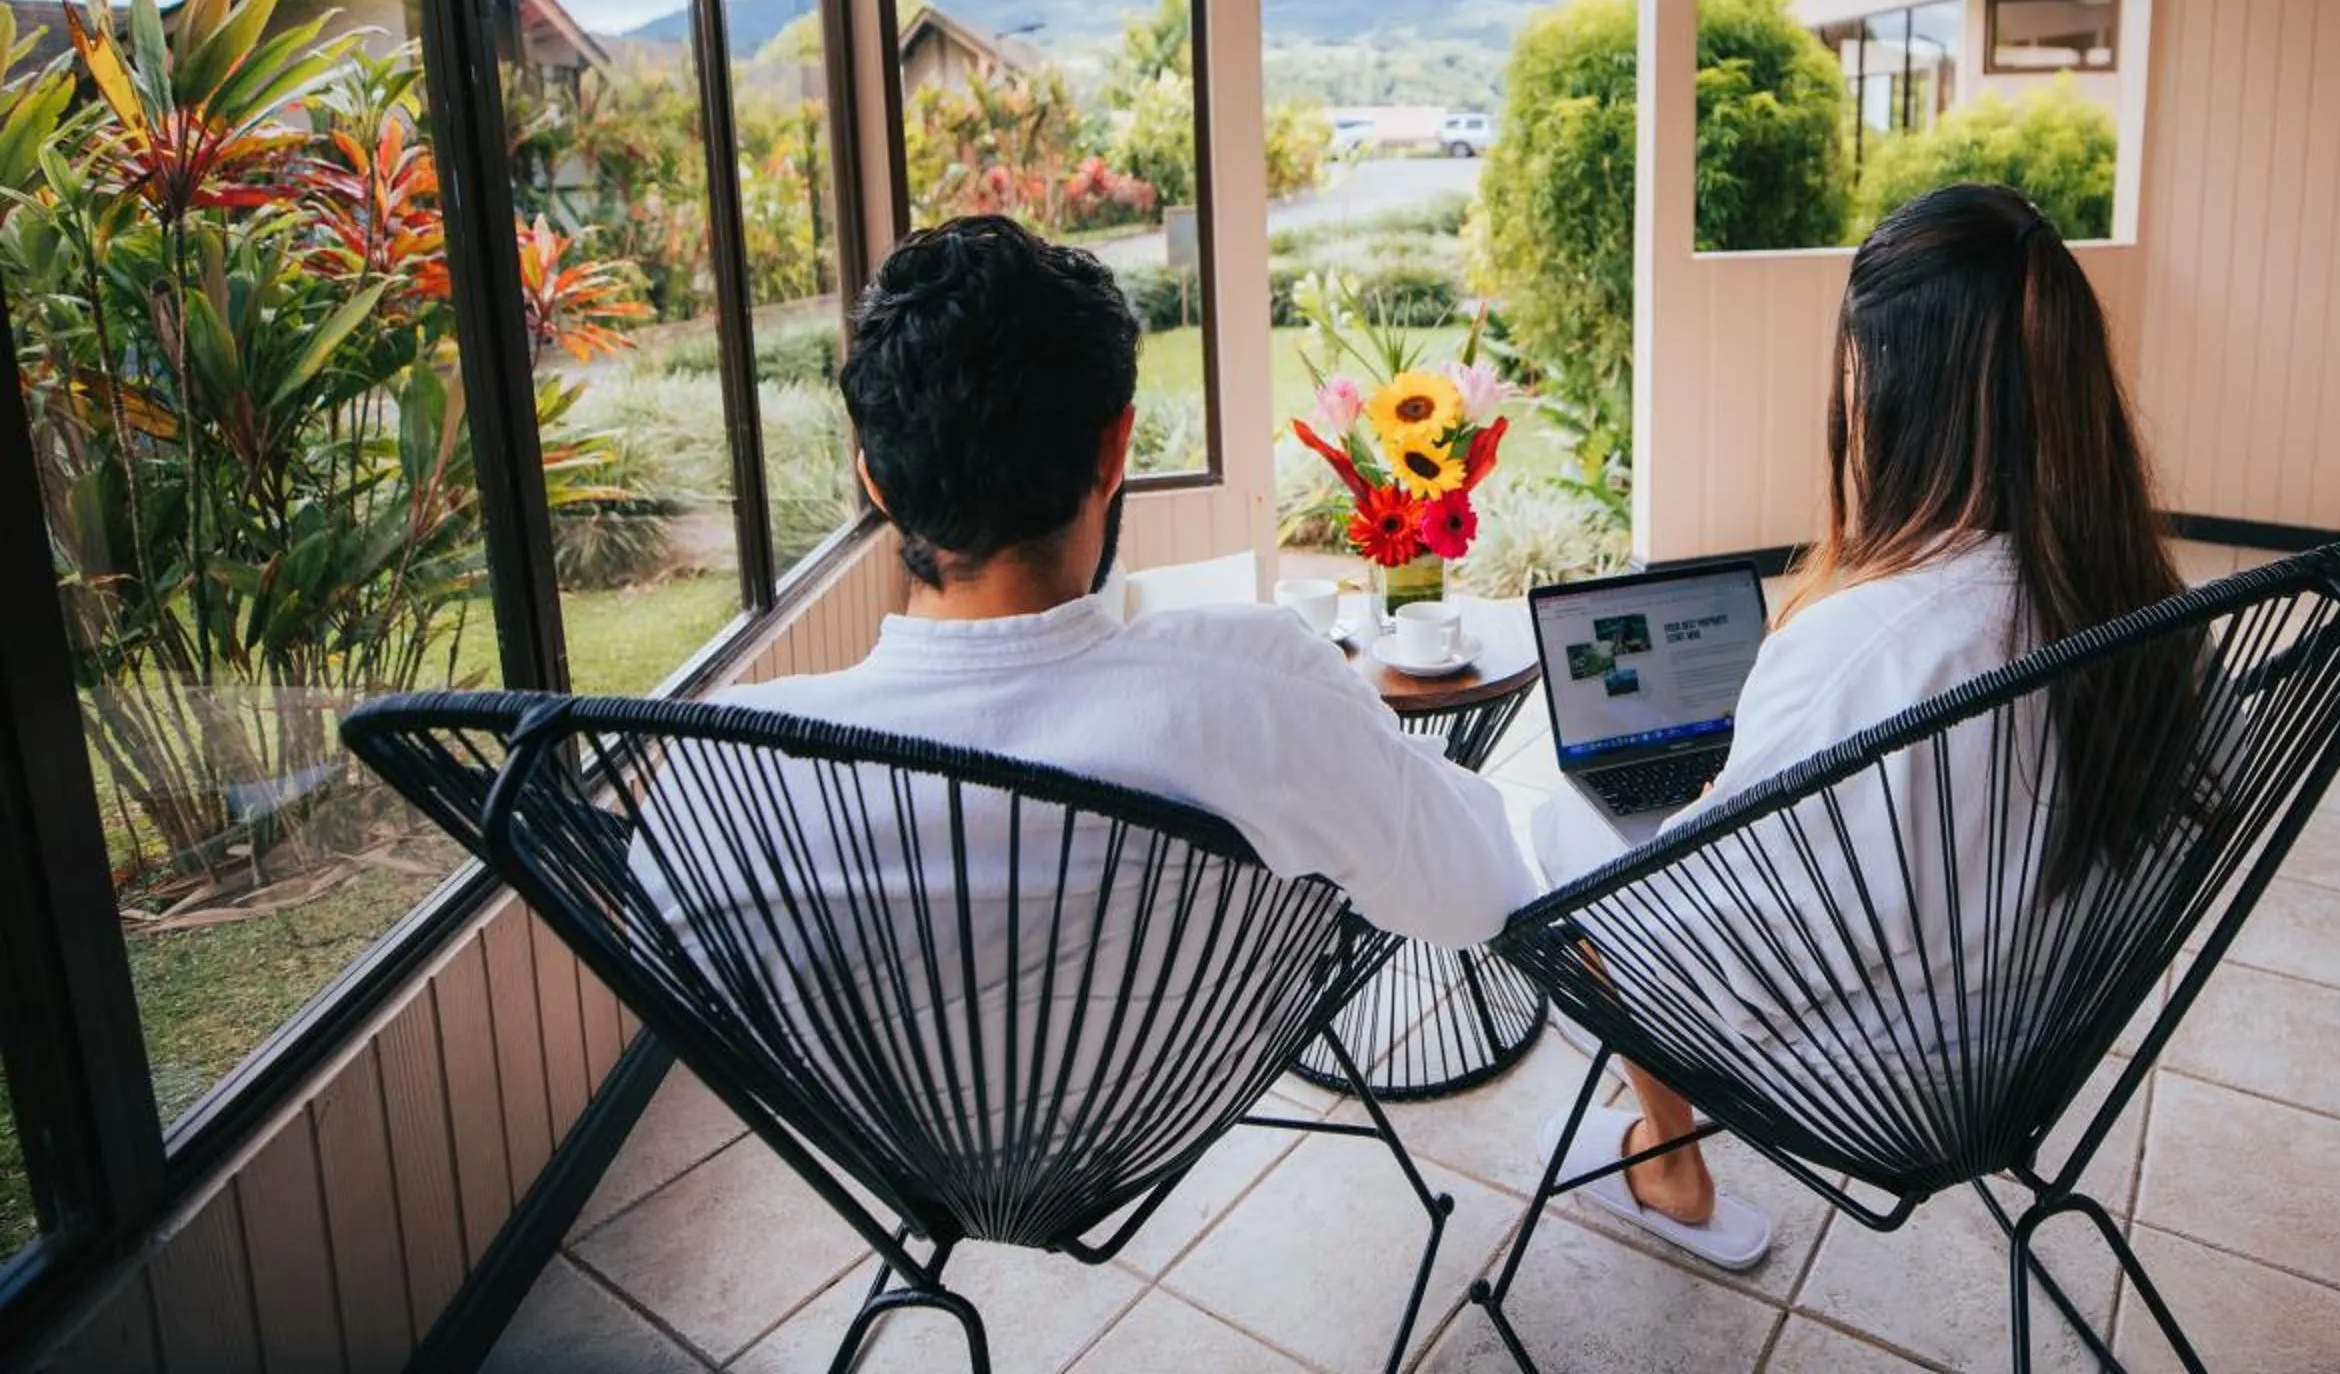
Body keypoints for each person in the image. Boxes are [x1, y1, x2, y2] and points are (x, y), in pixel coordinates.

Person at [635, 215, 1534, 1078]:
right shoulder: (1256, 691)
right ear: (1116, 451)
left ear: (876, 481)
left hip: (897, 1158)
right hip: (1165, 1107)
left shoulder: (723, 773)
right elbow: (1480, 893)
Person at [1528, 184, 2185, 1272]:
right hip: (2038, 1035)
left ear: (1880, 378)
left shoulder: (1868, 647)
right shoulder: (2149, 608)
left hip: (1878, 1077)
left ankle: (1672, 1160)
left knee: (1565, 834)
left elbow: (1711, 949)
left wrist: (1700, 819)